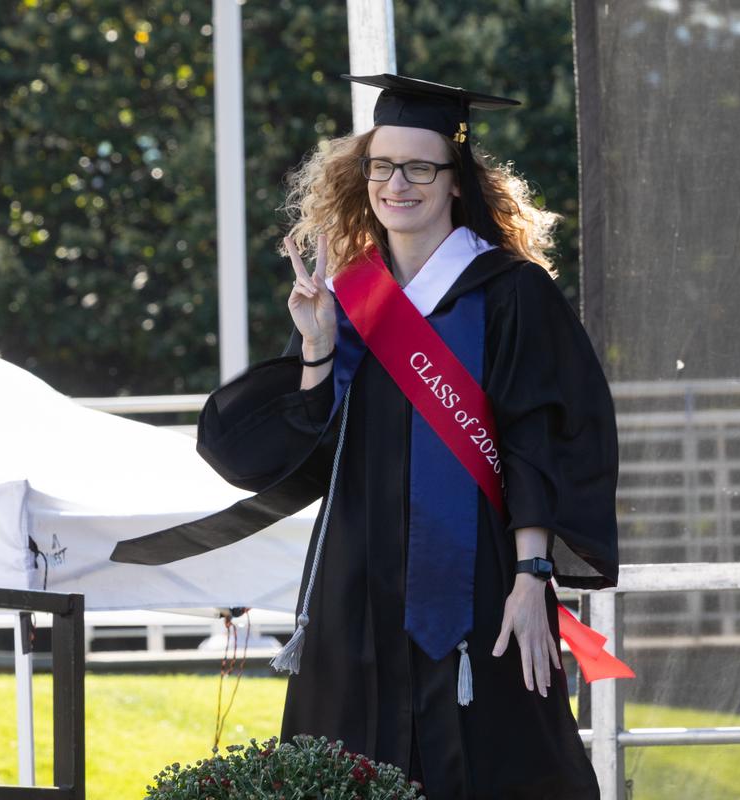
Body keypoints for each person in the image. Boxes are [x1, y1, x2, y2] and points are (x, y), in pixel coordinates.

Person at [113, 74, 619, 799]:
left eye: (419, 167)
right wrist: (316, 350)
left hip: (479, 582)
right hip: (358, 581)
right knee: (351, 757)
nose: (397, 184)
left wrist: (531, 578)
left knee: (497, 759)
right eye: (382, 166)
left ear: (455, 181)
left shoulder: (510, 292)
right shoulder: (348, 298)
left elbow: (541, 437)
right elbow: (288, 455)